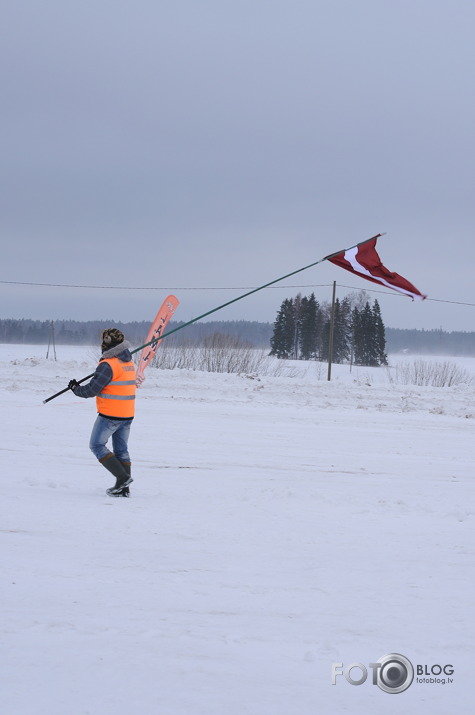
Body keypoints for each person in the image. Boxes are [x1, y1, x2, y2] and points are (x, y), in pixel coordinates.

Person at [69, 328, 136, 497]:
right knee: (121, 450)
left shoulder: (108, 364)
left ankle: (122, 478)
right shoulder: (127, 362)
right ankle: (124, 489)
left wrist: (75, 389)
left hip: (110, 414)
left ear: (106, 343)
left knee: (97, 445)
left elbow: (92, 390)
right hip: (127, 414)